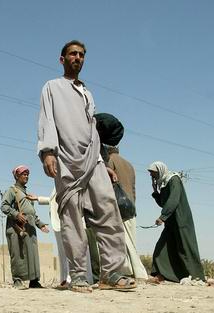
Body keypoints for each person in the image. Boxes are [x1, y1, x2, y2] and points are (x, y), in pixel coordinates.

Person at [37, 40, 134, 293]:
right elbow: (47, 120)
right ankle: (79, 275)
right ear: (62, 59)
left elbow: (92, 130)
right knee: (72, 219)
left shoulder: (87, 92)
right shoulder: (52, 87)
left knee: (108, 211)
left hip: (93, 161)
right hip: (66, 162)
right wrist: (48, 151)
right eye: (72, 54)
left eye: (81, 55)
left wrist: (102, 161)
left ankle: (112, 273)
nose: (77, 58)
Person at [95, 113, 148, 281]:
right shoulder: (129, 165)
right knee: (131, 241)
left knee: (119, 241)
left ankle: (131, 272)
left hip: (116, 206)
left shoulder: (108, 162)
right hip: (130, 207)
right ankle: (135, 272)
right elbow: (133, 188)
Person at [148, 161, 205, 283]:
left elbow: (173, 200)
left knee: (185, 247)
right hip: (171, 222)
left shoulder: (173, 179)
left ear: (160, 171)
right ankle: (161, 275)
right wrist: (155, 192)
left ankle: (196, 276)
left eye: (153, 174)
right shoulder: (163, 183)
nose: (152, 177)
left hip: (181, 219)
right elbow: (163, 203)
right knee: (161, 248)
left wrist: (163, 216)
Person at [27, 188, 94, 288]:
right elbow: (53, 200)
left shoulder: (72, 177)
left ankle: (79, 279)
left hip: (70, 221)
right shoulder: (57, 182)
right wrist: (38, 198)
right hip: (59, 222)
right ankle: (65, 279)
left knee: (76, 251)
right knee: (63, 253)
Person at [0, 165, 49, 289]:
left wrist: (40, 224)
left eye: (27, 174)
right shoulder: (12, 190)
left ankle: (34, 281)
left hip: (30, 228)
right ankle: (17, 280)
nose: (26, 176)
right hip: (17, 227)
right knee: (18, 253)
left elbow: (32, 213)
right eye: (23, 174)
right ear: (17, 176)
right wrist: (16, 214)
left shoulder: (27, 194)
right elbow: (4, 206)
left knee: (32, 254)